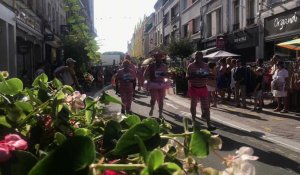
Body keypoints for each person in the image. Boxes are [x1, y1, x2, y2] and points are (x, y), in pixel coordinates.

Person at [186, 51, 216, 131]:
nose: (197, 58)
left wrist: (210, 75)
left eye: (199, 56)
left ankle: (209, 125)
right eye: (196, 57)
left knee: (206, 107)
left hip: (203, 88)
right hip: (194, 88)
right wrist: (194, 75)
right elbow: (187, 76)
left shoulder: (206, 66)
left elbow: (207, 74)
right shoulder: (191, 66)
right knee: (193, 106)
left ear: (202, 57)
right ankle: (193, 123)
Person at [144, 51, 169, 118]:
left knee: (161, 100)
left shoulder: (164, 66)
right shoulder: (151, 66)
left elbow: (167, 75)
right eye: (157, 57)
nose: (158, 58)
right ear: (155, 58)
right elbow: (145, 75)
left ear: (161, 58)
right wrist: (148, 78)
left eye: (160, 57)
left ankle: (160, 113)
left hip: (162, 85)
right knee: (153, 99)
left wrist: (167, 76)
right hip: (153, 85)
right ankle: (152, 108)